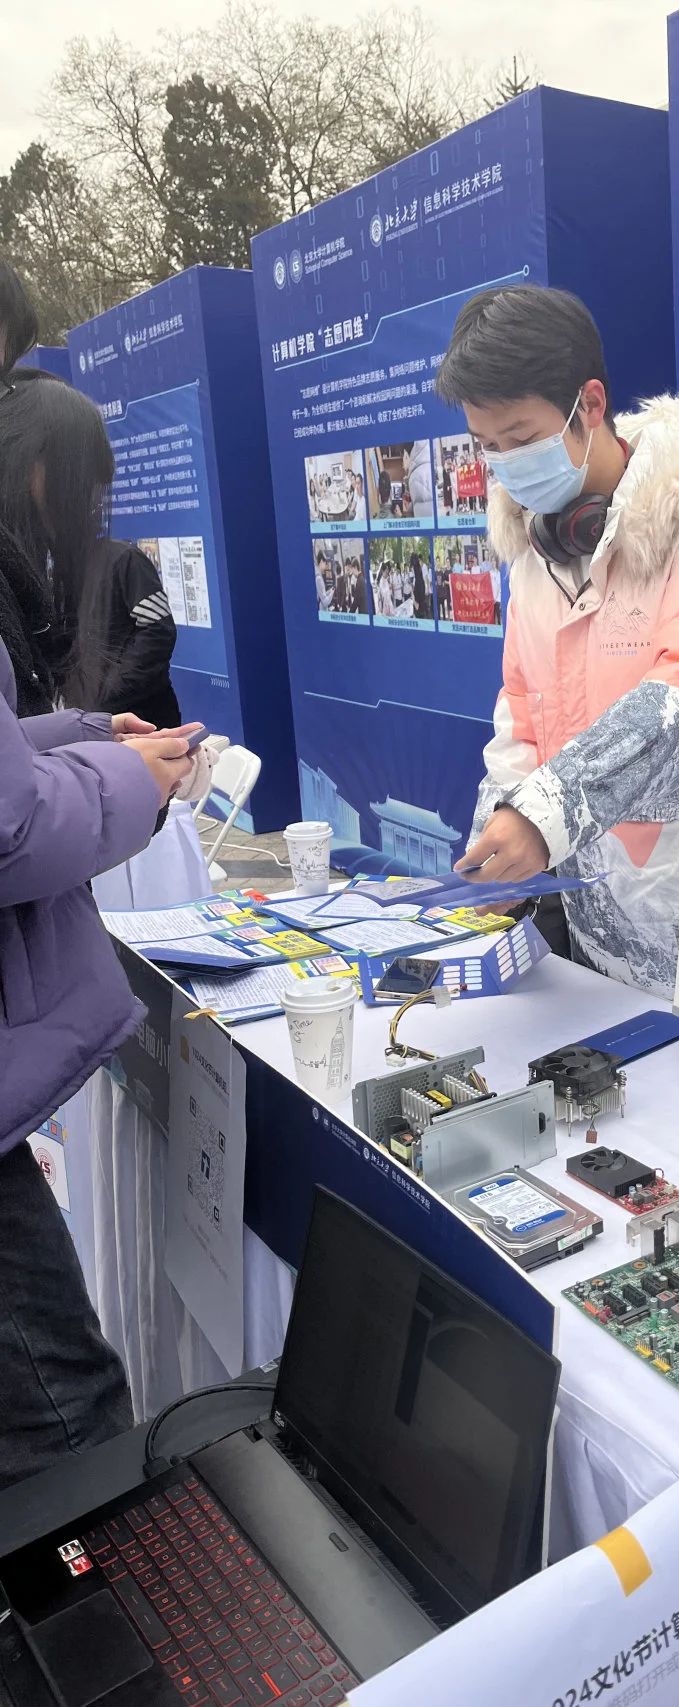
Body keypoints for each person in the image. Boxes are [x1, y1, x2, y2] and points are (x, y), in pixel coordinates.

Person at [436, 283, 679, 994]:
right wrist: (497, 840)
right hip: (596, 925)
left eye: (522, 439)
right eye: (488, 447)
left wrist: (542, 816)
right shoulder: (534, 552)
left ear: (590, 405)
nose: (506, 465)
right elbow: (522, 714)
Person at [0, 361, 196, 1490]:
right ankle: (108, 1593)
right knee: (66, 1418)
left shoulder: (116, 571)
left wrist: (81, 732)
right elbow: (10, 829)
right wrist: (125, 775)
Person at [71, 536, 182, 730]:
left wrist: (110, 693)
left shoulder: (124, 558)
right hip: (92, 716)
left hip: (142, 713)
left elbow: (158, 630)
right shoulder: (64, 568)